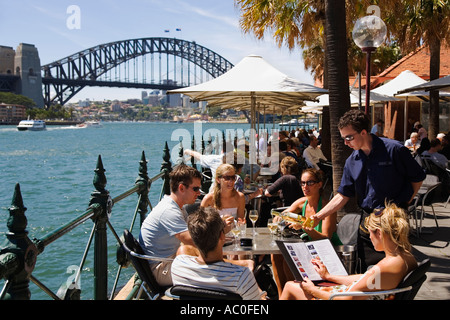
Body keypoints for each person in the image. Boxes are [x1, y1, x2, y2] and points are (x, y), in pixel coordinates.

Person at [310, 110, 425, 271]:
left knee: (396, 270)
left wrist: (406, 200)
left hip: (392, 221)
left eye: (349, 137)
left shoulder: (394, 149)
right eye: (343, 138)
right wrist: (319, 216)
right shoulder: (352, 161)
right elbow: (343, 194)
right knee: (367, 269)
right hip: (367, 221)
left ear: (364, 132)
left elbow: (418, 177)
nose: (345, 143)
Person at [280, 203, 417, 300]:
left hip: (343, 298)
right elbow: (364, 278)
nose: (369, 237)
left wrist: (312, 290)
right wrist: (329, 276)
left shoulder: (386, 266)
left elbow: (345, 298)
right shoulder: (405, 257)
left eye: (370, 233)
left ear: (379, 233)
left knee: (290, 286)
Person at [270, 168, 341, 296]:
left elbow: (325, 239)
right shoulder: (302, 203)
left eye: (310, 183)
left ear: (319, 185)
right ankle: (282, 295)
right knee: (275, 255)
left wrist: (302, 226)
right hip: (308, 246)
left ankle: (293, 294)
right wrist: (278, 218)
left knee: (288, 260)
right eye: (302, 183)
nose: (305, 186)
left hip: (327, 251)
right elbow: (283, 214)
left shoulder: (326, 207)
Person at [171, 207, 264, 300]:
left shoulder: (178, 266)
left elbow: (188, 250)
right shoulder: (242, 277)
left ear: (193, 238)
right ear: (222, 236)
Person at [138, 164, 202, 286]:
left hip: (168, 261)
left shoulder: (175, 206)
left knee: (212, 260)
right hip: (161, 270)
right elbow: (192, 240)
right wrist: (219, 234)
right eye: (195, 189)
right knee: (211, 270)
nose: (199, 193)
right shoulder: (169, 211)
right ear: (181, 188)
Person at [201, 163, 246, 231]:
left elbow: (240, 220)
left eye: (233, 177)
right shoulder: (208, 199)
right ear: (218, 179)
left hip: (234, 236)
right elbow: (201, 225)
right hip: (215, 238)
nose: (231, 181)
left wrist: (241, 224)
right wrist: (220, 224)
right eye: (227, 178)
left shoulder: (240, 197)